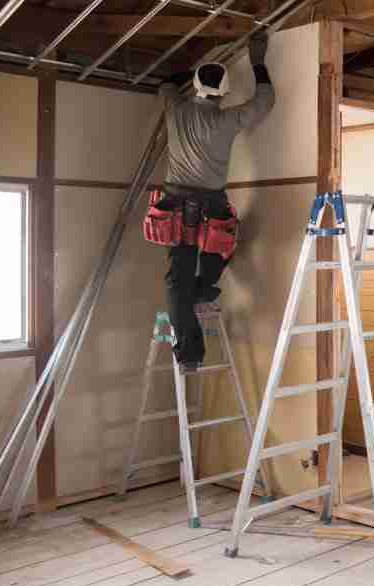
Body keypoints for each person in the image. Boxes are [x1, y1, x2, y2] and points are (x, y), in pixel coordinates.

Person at [146, 34, 275, 370]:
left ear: (196, 86)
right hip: (210, 204)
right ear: (224, 92)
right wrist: (258, 60)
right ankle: (204, 290)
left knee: (179, 278)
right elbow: (265, 101)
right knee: (221, 247)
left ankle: (188, 354)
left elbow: (165, 88)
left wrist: (174, 79)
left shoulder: (176, 110)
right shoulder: (226, 120)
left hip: (175, 205)